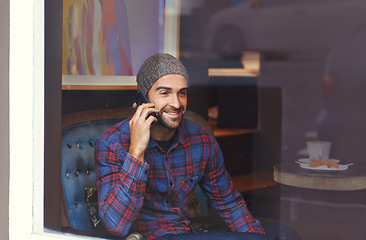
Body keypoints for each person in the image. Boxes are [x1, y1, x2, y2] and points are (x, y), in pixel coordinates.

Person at [95, 53, 298, 240]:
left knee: (284, 234)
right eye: (164, 93)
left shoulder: (200, 139)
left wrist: (256, 236)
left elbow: (228, 203)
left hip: (189, 233)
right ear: (143, 99)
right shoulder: (113, 143)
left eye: (182, 93)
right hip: (152, 237)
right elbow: (116, 226)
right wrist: (137, 151)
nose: (176, 103)